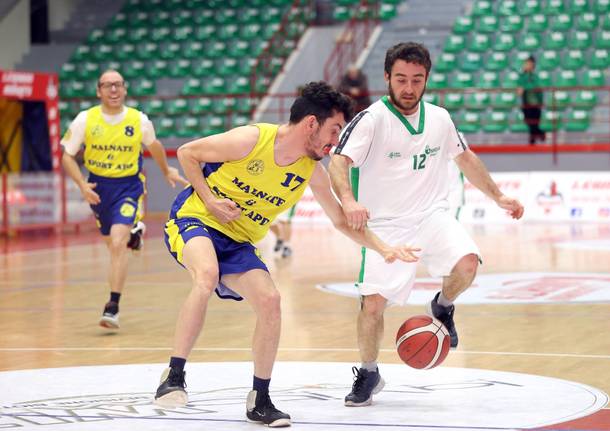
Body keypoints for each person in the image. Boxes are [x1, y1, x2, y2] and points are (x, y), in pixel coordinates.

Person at [153, 82, 419, 427]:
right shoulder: (253, 139)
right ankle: (173, 376)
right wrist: (210, 200)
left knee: (271, 301)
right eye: (334, 130)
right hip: (196, 218)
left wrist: (384, 247)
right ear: (311, 123)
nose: (335, 141)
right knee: (206, 274)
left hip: (239, 239)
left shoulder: (311, 170)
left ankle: (259, 399)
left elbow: (341, 220)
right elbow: (187, 152)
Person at [328, 42, 524, 407]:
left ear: (426, 80)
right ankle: (369, 372)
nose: (408, 87)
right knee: (372, 306)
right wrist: (350, 201)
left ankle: (443, 306)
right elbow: (338, 162)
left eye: (417, 80)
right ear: (387, 77)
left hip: (431, 215)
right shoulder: (371, 119)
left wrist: (498, 196)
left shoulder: (440, 117)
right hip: (385, 224)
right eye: (401, 78)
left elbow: (465, 158)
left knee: (467, 264)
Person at [61, 69, 186, 329]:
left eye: (118, 85)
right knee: (113, 243)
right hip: (98, 188)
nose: (113, 90)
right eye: (107, 86)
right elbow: (67, 156)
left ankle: (113, 306)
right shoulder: (85, 120)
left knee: (117, 245)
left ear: (125, 89)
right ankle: (134, 236)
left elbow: (155, 146)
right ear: (99, 91)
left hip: (129, 187)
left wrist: (166, 170)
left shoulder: (138, 120)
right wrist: (82, 184)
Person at [517, 55, 545, 145]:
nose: (526, 65)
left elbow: (537, 87)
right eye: (525, 63)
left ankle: (533, 139)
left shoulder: (535, 77)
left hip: (535, 104)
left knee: (534, 122)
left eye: (528, 63)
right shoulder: (522, 77)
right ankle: (540, 134)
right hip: (526, 103)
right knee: (529, 121)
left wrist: (525, 88)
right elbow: (519, 88)